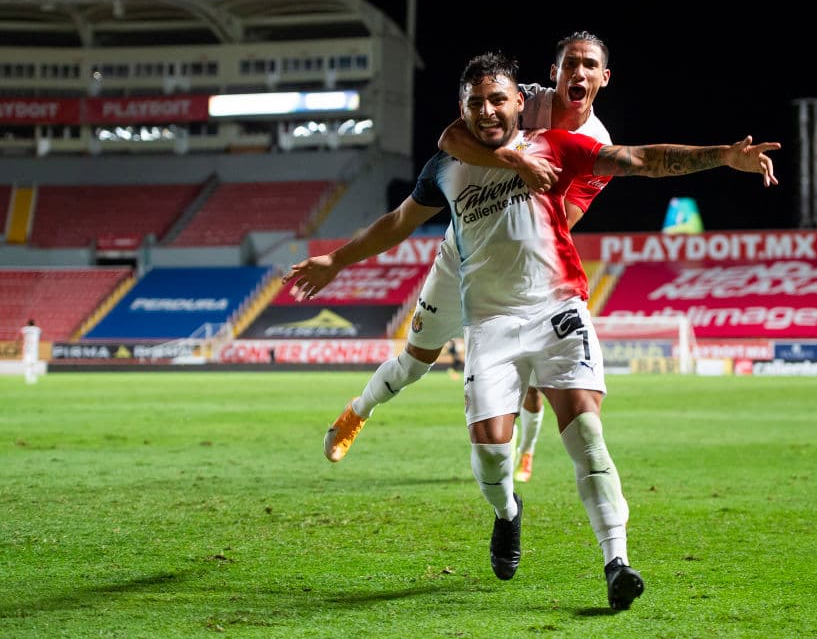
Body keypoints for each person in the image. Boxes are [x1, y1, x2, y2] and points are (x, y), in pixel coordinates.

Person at [283, 51, 779, 610]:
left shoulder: (565, 142)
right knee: (435, 388)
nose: (489, 110)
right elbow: (400, 219)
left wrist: (723, 157)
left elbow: (640, 159)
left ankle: (617, 562)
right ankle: (485, 496)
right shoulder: (449, 162)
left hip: (556, 307)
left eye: (499, 100)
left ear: (522, 102)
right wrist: (336, 261)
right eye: (477, 103)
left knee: (588, 436)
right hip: (476, 294)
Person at [322, 31, 615, 484]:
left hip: (528, 276)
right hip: (462, 258)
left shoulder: (596, 142)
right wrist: (517, 162)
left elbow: (564, 218)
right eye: (570, 64)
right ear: (553, 72)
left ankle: (522, 458)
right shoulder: (524, 101)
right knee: (414, 364)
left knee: (536, 383)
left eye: (589, 66)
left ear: (604, 77)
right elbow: (451, 139)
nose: (579, 73)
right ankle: (359, 410)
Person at [20, 318, 41, 385]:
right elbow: (40, 332)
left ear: (28, 323)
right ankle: (34, 378)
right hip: (34, 350)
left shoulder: (25, 329)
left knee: (27, 365)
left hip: (27, 350)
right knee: (34, 364)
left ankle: (27, 378)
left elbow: (22, 331)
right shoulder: (37, 329)